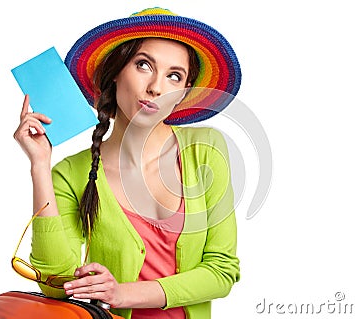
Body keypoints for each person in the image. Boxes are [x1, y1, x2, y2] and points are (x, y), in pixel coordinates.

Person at [13, 7, 242, 319]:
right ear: (116, 70)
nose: (156, 87)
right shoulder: (71, 173)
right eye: (144, 65)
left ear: (182, 93)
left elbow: (221, 270)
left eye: (174, 76)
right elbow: (55, 285)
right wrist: (39, 165)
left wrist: (121, 292)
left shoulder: (205, 150)